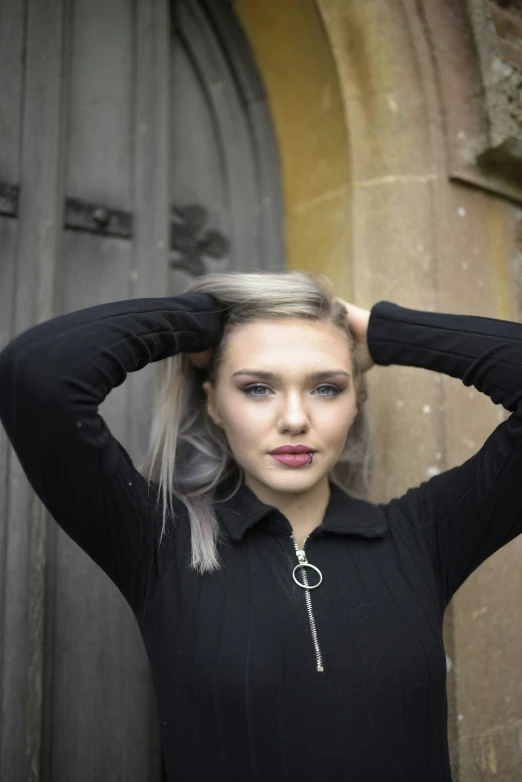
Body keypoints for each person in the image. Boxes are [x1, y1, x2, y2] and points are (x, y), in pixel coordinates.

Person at [0, 270, 521, 782]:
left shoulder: (422, 536)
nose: (294, 419)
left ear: (356, 401)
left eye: (325, 388)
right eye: (257, 388)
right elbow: (38, 373)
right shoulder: (158, 542)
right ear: (213, 404)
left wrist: (385, 333)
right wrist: (202, 321)